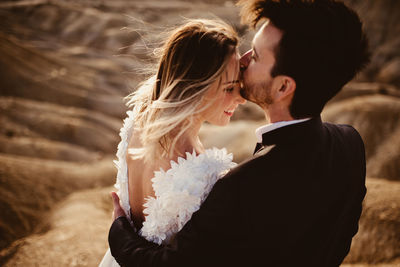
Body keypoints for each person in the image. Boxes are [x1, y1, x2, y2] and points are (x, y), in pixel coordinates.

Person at [108, 0, 371, 266]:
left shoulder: (237, 188)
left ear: (283, 88)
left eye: (255, 55)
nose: (243, 61)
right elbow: (341, 236)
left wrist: (118, 228)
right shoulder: (351, 146)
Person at [99, 19, 246, 266]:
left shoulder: (139, 119)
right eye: (230, 88)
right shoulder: (202, 171)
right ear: (195, 86)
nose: (241, 98)